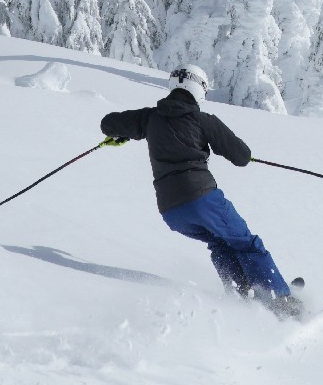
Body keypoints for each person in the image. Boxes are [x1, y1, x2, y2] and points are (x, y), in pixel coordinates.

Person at [100, 63, 302, 319]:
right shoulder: (202, 120)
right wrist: (243, 154)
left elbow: (108, 123)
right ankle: (280, 300)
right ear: (199, 90)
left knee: (220, 243)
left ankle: (244, 296)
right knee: (246, 242)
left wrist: (123, 134)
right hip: (202, 198)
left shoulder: (148, 117)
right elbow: (241, 156)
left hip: (171, 211)